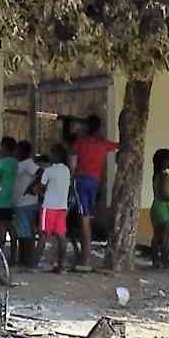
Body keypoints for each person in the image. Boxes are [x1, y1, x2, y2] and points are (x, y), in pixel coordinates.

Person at [69, 114, 119, 272]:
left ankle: (85, 260)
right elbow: (120, 146)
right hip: (95, 183)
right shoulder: (103, 144)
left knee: (83, 221)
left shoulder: (79, 143)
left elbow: (72, 165)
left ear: (86, 127)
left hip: (81, 181)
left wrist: (71, 180)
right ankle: (84, 256)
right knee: (87, 219)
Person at [39, 144, 73, 274]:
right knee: (61, 236)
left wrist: (39, 191)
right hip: (62, 207)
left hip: (49, 206)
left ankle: (35, 264)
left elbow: (41, 187)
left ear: (56, 155)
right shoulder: (67, 170)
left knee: (43, 235)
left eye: (51, 153)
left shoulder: (49, 170)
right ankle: (61, 265)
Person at [13, 140, 40, 268]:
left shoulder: (28, 164)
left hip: (25, 203)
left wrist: (32, 186)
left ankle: (27, 260)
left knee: (26, 233)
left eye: (18, 150)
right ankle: (24, 259)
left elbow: (41, 173)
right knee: (23, 232)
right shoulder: (21, 164)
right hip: (21, 202)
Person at [149, 148, 169, 265]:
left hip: (156, 207)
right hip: (166, 209)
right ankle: (164, 261)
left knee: (156, 236)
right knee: (166, 237)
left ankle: (155, 260)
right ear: (164, 161)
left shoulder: (156, 175)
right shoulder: (164, 176)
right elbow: (165, 193)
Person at [0, 137, 19, 251]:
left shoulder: (3, 162)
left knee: (1, 227)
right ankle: (14, 253)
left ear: (5, 148)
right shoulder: (17, 162)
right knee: (12, 227)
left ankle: (0, 252)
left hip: (1, 199)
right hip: (13, 199)